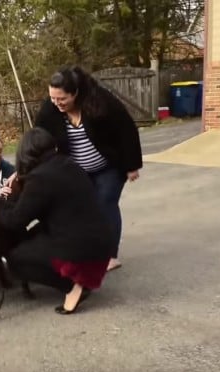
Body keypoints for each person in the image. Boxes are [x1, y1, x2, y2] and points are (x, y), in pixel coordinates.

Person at [0, 128, 115, 315]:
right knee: (33, 235)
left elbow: (16, 220)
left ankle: (72, 285)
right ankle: (78, 278)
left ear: (25, 153)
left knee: (16, 258)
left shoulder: (39, 178)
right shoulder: (69, 164)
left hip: (80, 247)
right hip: (101, 242)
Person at [34, 65, 142, 272]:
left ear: (75, 92)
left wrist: (131, 165)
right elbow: (38, 137)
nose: (56, 103)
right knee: (79, 210)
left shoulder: (100, 101)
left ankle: (110, 256)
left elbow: (126, 130)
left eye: (62, 99)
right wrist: (35, 168)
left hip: (108, 166)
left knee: (104, 204)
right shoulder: (51, 107)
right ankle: (86, 251)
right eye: (53, 98)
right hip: (77, 171)